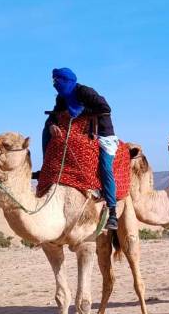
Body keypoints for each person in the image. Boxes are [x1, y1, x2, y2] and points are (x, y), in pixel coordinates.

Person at [36, 68, 120, 231]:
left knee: (105, 167)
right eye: (54, 81)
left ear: (67, 81)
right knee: (47, 129)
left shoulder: (84, 92)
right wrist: (53, 124)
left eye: (58, 81)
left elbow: (105, 108)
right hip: (79, 131)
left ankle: (112, 211)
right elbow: (55, 113)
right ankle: (46, 166)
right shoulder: (62, 97)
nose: (55, 84)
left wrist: (80, 112)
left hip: (102, 134)